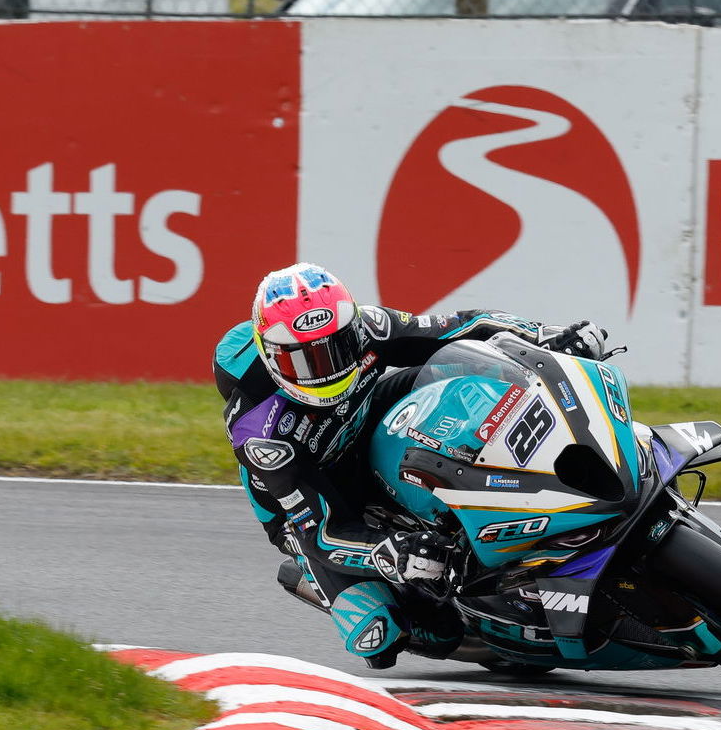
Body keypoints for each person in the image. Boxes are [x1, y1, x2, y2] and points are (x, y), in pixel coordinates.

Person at [215, 263, 608, 670]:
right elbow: (324, 532)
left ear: (351, 329)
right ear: (272, 359)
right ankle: (437, 604)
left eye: (337, 349)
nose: (327, 369)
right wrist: (394, 551)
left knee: (468, 368)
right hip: (316, 496)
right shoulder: (261, 433)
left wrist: (545, 337)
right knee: (385, 633)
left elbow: (462, 326)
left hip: (365, 416)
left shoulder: (369, 325)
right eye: (307, 361)